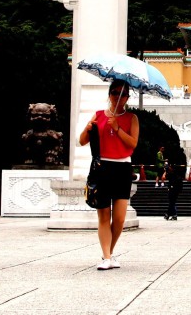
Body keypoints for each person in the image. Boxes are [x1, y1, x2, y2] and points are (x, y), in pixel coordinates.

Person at [79, 79, 139, 271]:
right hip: (102, 167)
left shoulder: (132, 118)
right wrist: (88, 128)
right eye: (114, 92)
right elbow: (82, 141)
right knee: (104, 215)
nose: (118, 97)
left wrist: (117, 128)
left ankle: (109, 253)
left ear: (128, 97)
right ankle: (106, 257)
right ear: (109, 94)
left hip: (122, 168)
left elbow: (133, 144)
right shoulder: (98, 116)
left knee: (120, 218)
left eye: (122, 93)